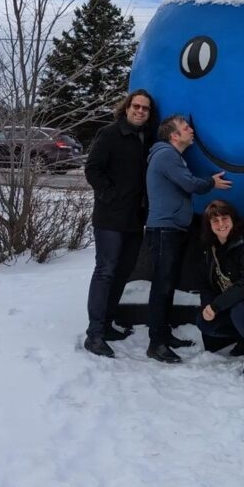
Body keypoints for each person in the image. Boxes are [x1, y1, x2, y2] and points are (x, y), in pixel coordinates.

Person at [145, 114, 232, 363]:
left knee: (168, 283)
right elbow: (190, 184)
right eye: (185, 128)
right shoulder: (166, 155)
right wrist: (211, 182)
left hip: (172, 228)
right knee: (162, 286)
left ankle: (163, 334)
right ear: (174, 135)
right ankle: (156, 343)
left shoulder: (172, 156)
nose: (190, 130)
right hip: (164, 229)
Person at [83, 89, 156, 359]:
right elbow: (92, 169)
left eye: (145, 108)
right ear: (126, 108)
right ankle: (95, 333)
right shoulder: (110, 134)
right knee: (105, 271)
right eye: (135, 106)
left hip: (136, 219)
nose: (139, 111)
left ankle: (108, 322)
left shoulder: (147, 139)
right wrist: (110, 196)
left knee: (123, 272)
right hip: (110, 218)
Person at [197, 199, 244, 377]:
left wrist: (216, 306)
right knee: (203, 322)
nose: (221, 224)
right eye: (215, 221)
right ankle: (242, 338)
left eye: (224, 218)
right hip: (227, 302)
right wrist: (208, 307)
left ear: (233, 219)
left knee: (239, 310)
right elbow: (205, 283)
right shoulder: (209, 248)